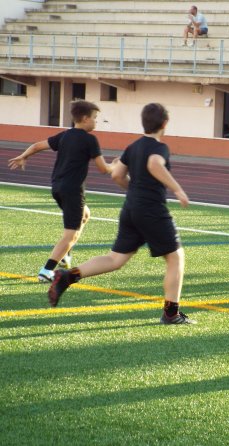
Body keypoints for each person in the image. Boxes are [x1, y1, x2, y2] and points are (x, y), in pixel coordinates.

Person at [48, 103, 196, 325]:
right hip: (152, 210)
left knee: (115, 259)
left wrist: (134, 191)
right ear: (165, 123)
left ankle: (68, 276)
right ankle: (171, 313)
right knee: (175, 258)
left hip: (130, 209)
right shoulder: (159, 147)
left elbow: (117, 174)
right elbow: (155, 164)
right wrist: (177, 189)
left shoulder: (133, 146)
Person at [7, 100, 116, 283]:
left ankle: (65, 255)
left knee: (85, 214)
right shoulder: (90, 140)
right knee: (70, 233)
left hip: (57, 187)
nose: (96, 122)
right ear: (84, 118)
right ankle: (47, 270)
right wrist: (115, 166)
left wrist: (23, 156)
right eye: (95, 118)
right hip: (73, 191)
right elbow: (103, 169)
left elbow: (36, 146)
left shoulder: (65, 135)